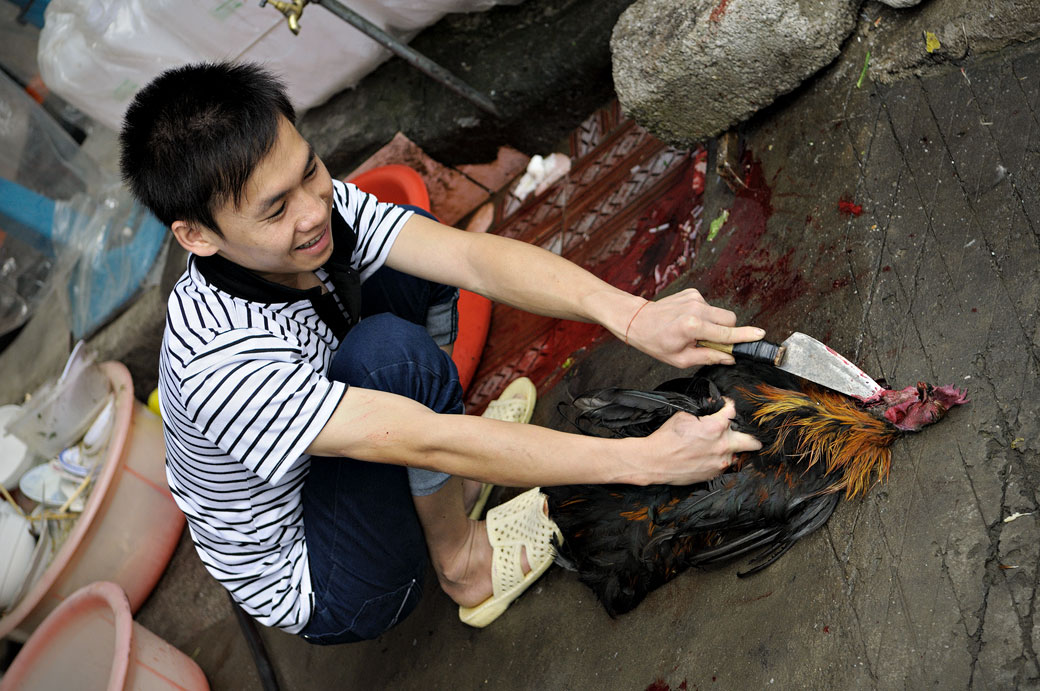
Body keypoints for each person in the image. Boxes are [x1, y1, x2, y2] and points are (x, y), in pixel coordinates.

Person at [119, 61, 763, 643]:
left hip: (345, 440)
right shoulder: (219, 363)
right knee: (391, 357)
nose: (314, 209)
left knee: (418, 262)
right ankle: (461, 563)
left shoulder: (312, 207)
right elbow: (425, 440)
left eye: (311, 170)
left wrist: (635, 315)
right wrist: (644, 460)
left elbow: (467, 256)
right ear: (196, 234)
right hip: (328, 578)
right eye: (276, 209)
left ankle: (450, 489)